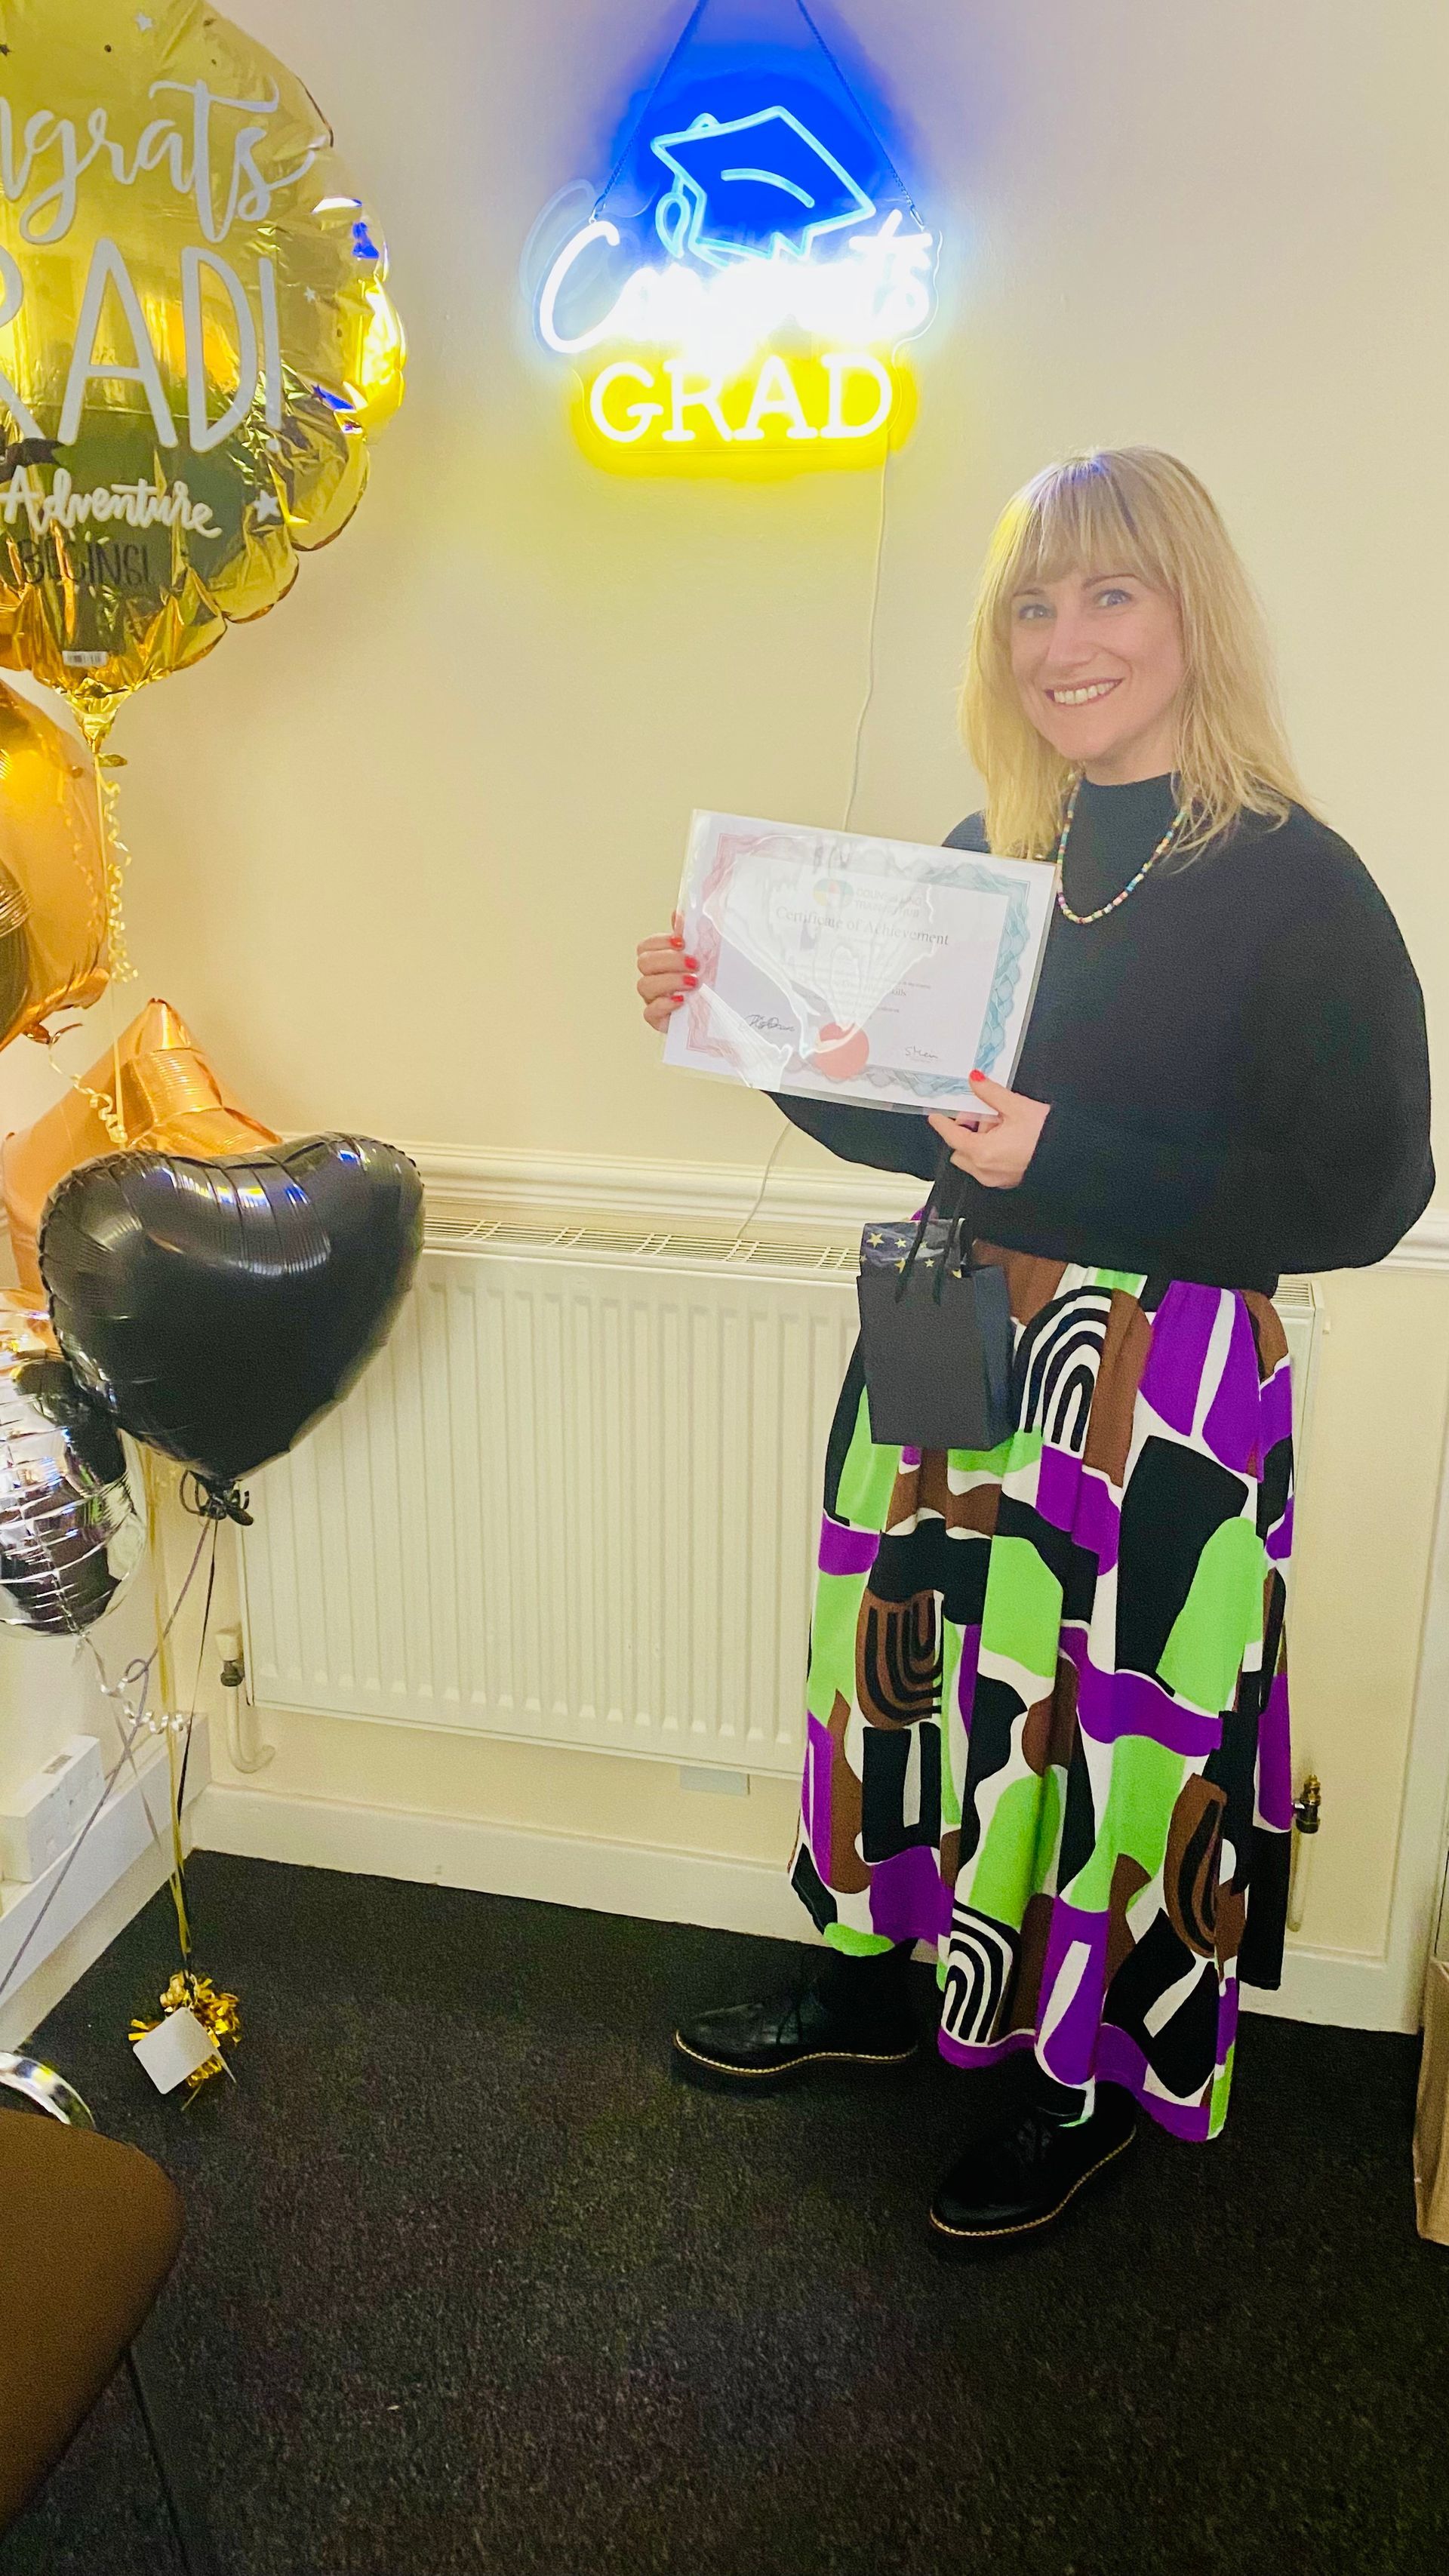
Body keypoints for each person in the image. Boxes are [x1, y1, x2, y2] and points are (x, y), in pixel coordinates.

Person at [635, 446, 1433, 2251]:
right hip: (952, 1347)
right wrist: (741, 1021)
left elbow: (1371, 1189)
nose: (1064, 642)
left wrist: (1066, 1158)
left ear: (1191, 615)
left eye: (1110, 594)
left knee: (1122, 1737)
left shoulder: (1298, 882)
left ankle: (1086, 2080)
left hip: (1166, 1391)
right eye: (1031, 604)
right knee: (904, 1678)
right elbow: (905, 1124)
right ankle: (880, 1980)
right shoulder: (983, 862)